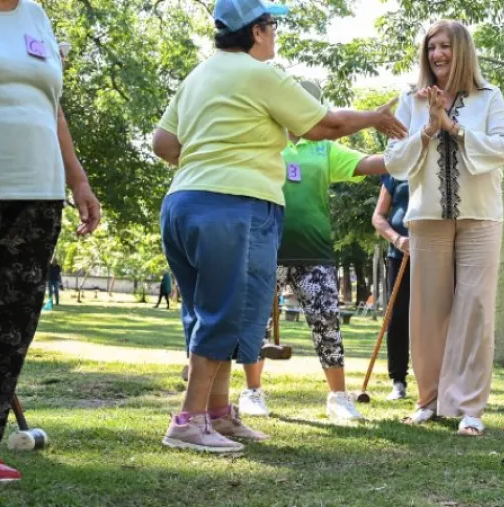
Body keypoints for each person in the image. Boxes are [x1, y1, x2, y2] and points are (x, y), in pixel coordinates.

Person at [152, 0, 405, 453]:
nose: (274, 32)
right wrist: (375, 117)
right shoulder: (262, 75)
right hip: (235, 206)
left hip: (181, 204)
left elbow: (163, 143)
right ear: (255, 31)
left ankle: (218, 413)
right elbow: (324, 125)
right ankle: (189, 420)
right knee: (225, 311)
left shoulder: (199, 75)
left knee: (205, 310)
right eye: (271, 24)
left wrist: (208, 159)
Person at [384, 20, 504, 436]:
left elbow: (502, 149)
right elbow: (394, 160)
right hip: (427, 216)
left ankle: (470, 407)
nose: (437, 54)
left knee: (475, 308)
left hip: (481, 216)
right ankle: (429, 399)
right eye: (431, 47)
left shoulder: (489, 97)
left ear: (463, 51)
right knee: (428, 311)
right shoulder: (412, 100)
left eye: (445, 46)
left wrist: (454, 127)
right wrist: (428, 127)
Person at [237, 81, 390, 421]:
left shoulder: (323, 148)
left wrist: (413, 148)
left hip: (314, 253)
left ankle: (338, 397)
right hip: (265, 248)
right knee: (255, 323)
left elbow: (370, 163)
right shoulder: (265, 141)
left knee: (327, 321)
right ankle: (252, 392)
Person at [0, 0, 101, 482]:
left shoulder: (36, 16)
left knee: (10, 327)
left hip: (38, 194)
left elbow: (51, 107)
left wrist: (78, 181)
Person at [372, 174, 411, 401]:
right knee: (397, 318)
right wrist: (398, 240)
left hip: (435, 254)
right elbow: (378, 217)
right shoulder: (396, 172)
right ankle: (398, 381)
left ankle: (438, 384)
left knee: (434, 320)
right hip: (400, 255)